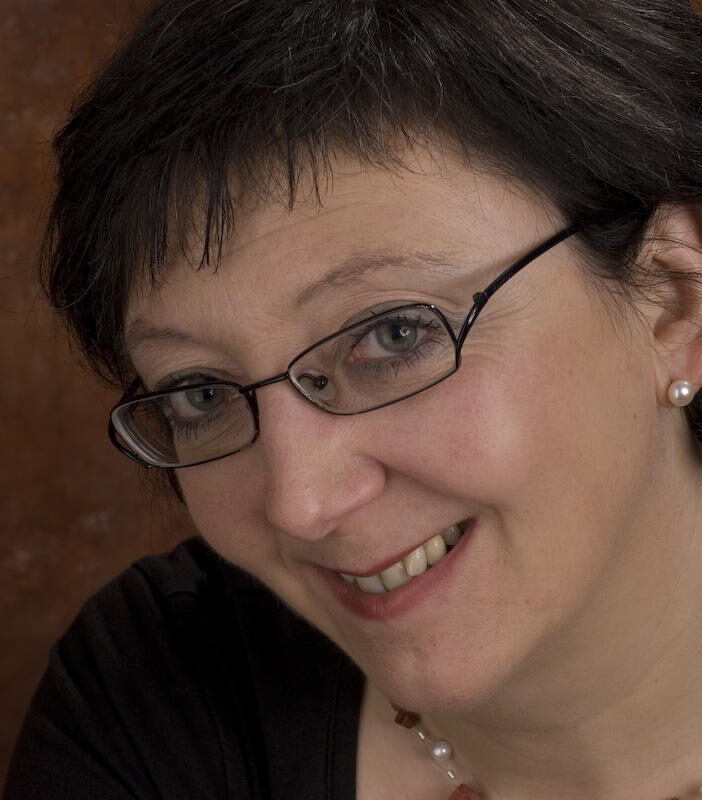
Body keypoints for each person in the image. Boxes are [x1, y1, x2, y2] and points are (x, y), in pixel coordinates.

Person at [6, 1, 702, 798]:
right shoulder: (154, 698)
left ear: (673, 301)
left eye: (394, 336)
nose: (300, 504)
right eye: (201, 393)